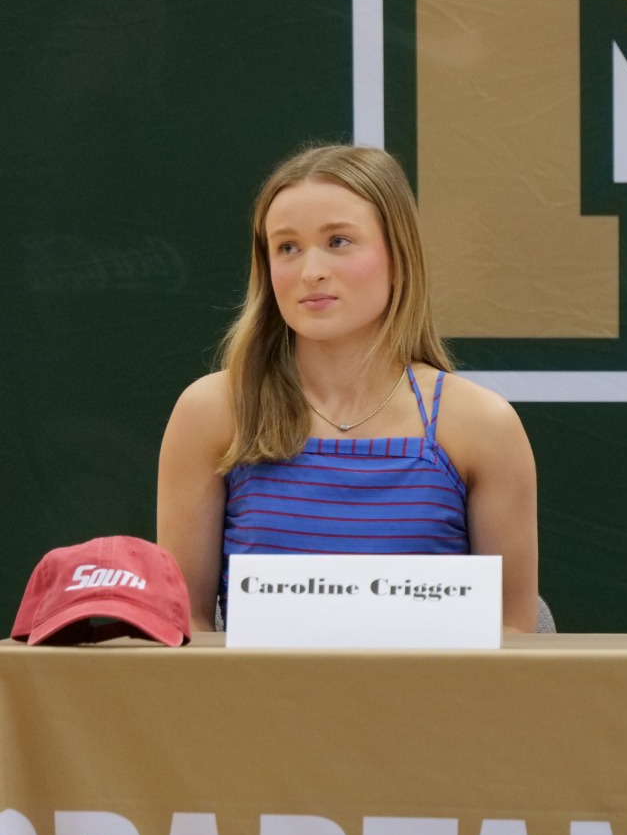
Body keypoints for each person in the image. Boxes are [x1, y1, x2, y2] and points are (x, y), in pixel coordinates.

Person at [156, 145, 543, 633]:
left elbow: (512, 635)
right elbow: (186, 627)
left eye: (338, 241)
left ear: (398, 257)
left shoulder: (481, 425)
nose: (310, 270)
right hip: (256, 706)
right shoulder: (213, 411)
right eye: (287, 247)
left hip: (434, 707)